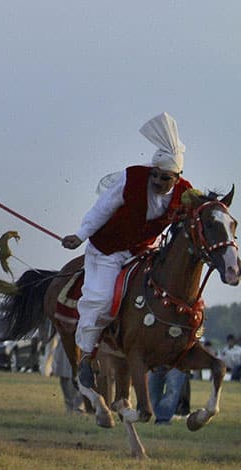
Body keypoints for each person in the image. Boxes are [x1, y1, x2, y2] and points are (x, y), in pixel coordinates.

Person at [61, 112, 192, 396]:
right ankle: (86, 355)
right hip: (107, 250)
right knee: (102, 299)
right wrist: (80, 235)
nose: (157, 180)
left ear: (177, 177)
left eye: (164, 177)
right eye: (155, 175)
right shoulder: (131, 178)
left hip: (144, 253)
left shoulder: (186, 193)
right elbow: (102, 209)